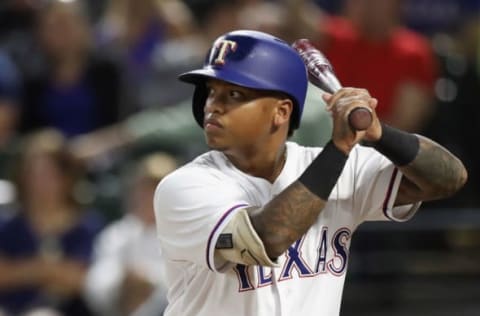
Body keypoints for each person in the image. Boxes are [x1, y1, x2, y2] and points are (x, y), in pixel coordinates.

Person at [153, 30, 467, 316]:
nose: (213, 106)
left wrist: (379, 132)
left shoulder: (339, 166)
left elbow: (448, 178)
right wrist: (340, 147)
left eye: (234, 95)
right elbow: (267, 239)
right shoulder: (185, 186)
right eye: (210, 91)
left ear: (281, 112)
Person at [0, 129, 104, 316]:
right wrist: (47, 270)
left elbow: (82, 280)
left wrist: (21, 270)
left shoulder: (85, 226)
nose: (40, 183)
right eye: (33, 175)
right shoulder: (8, 225)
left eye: (49, 175)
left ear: (66, 178)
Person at [84, 152, 177, 316]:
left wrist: (148, 279)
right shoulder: (116, 234)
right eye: (144, 190)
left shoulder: (185, 233)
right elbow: (95, 286)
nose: (148, 197)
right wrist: (124, 280)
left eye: (155, 189)